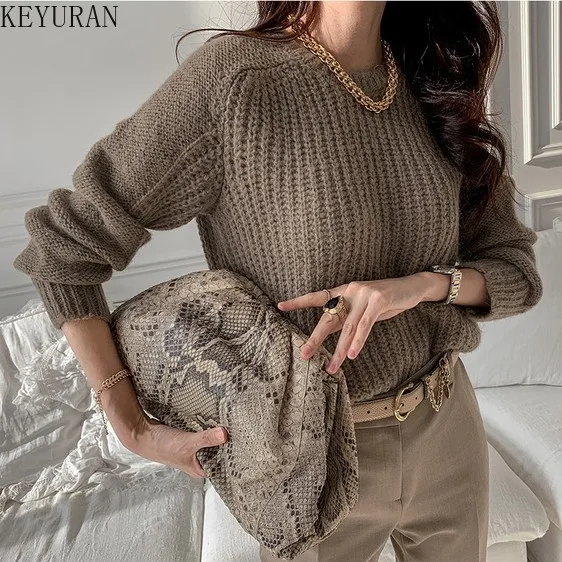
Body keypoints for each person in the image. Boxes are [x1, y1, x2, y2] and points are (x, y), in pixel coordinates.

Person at [13, 1, 543, 561]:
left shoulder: (432, 72)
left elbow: (514, 269)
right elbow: (61, 250)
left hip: (446, 428)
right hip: (309, 459)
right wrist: (130, 425)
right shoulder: (234, 84)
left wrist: (423, 285)